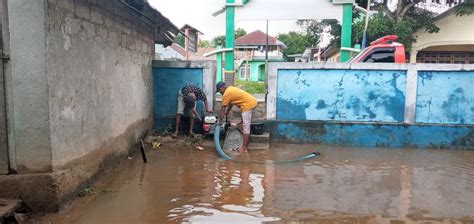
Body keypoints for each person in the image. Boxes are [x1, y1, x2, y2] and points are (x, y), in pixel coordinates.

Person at [216, 82, 257, 152]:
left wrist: (219, 122)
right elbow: (231, 104)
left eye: (219, 91)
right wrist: (227, 112)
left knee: (246, 127)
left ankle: (244, 148)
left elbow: (222, 110)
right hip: (250, 102)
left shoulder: (226, 94)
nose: (220, 93)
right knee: (243, 122)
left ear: (221, 88)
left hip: (248, 104)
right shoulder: (230, 89)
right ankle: (240, 126)